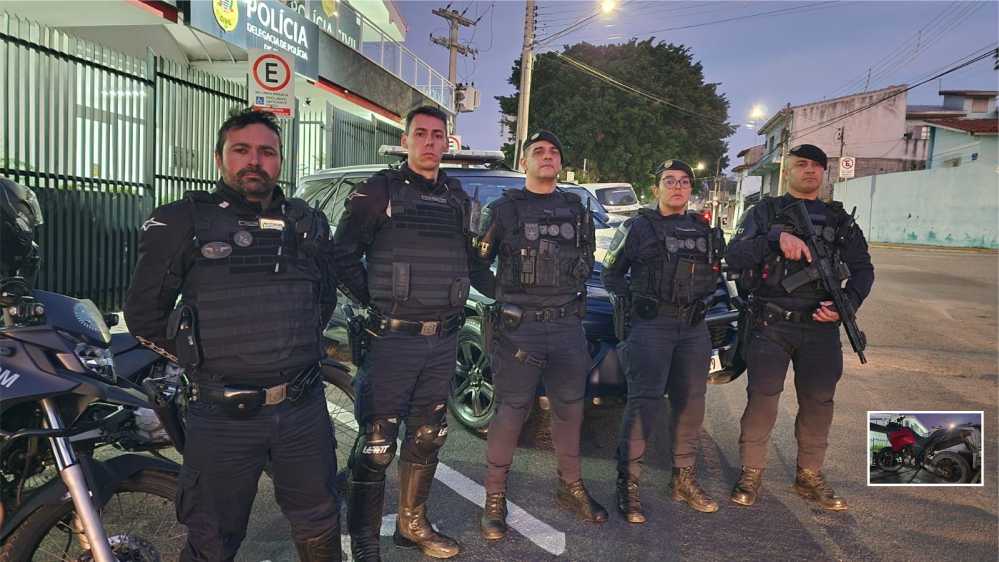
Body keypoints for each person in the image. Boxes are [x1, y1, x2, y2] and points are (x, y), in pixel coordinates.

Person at [124, 108, 341, 561]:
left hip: (302, 411)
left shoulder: (307, 223)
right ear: (219, 157)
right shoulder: (183, 222)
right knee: (212, 540)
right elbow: (144, 315)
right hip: (222, 416)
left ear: (281, 161)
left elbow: (323, 301)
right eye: (241, 150)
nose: (254, 161)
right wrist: (202, 358)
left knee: (320, 523)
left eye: (267, 152)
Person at [331, 105, 489, 561]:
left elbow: (473, 262)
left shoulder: (458, 198)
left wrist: (509, 295)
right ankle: (364, 542)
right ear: (405, 141)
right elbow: (341, 255)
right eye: (420, 133)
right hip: (392, 340)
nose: (429, 142)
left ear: (447, 142)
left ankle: (412, 525)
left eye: (437, 135)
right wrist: (377, 301)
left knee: (428, 434)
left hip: (443, 340)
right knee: (378, 443)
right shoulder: (379, 191)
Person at [724, 144, 874, 511]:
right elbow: (734, 255)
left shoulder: (839, 220)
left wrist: (846, 305)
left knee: (818, 402)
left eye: (816, 166)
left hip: (821, 327)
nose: (809, 170)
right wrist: (774, 238)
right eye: (801, 164)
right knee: (762, 399)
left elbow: (863, 270)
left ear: (824, 173)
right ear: (787, 172)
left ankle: (809, 475)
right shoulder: (764, 213)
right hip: (771, 322)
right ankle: (751, 472)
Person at [474, 130, 606, 541]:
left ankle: (571, 486)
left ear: (560, 163)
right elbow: (476, 264)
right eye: (537, 151)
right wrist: (506, 298)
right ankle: (494, 497)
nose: (546, 156)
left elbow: (585, 260)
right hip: (520, 331)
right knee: (511, 412)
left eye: (553, 151)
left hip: (567, 328)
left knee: (570, 409)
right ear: (524, 162)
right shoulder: (503, 210)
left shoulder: (577, 210)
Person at [601, 159, 725, 522]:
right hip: (652, 327)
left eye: (684, 181)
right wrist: (634, 306)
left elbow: (716, 275)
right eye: (669, 181)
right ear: (656, 189)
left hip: (693, 328)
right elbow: (611, 274)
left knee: (691, 404)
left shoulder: (702, 229)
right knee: (644, 404)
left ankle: (683, 479)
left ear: (690, 190)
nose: (677, 187)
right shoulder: (637, 227)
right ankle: (628, 484)